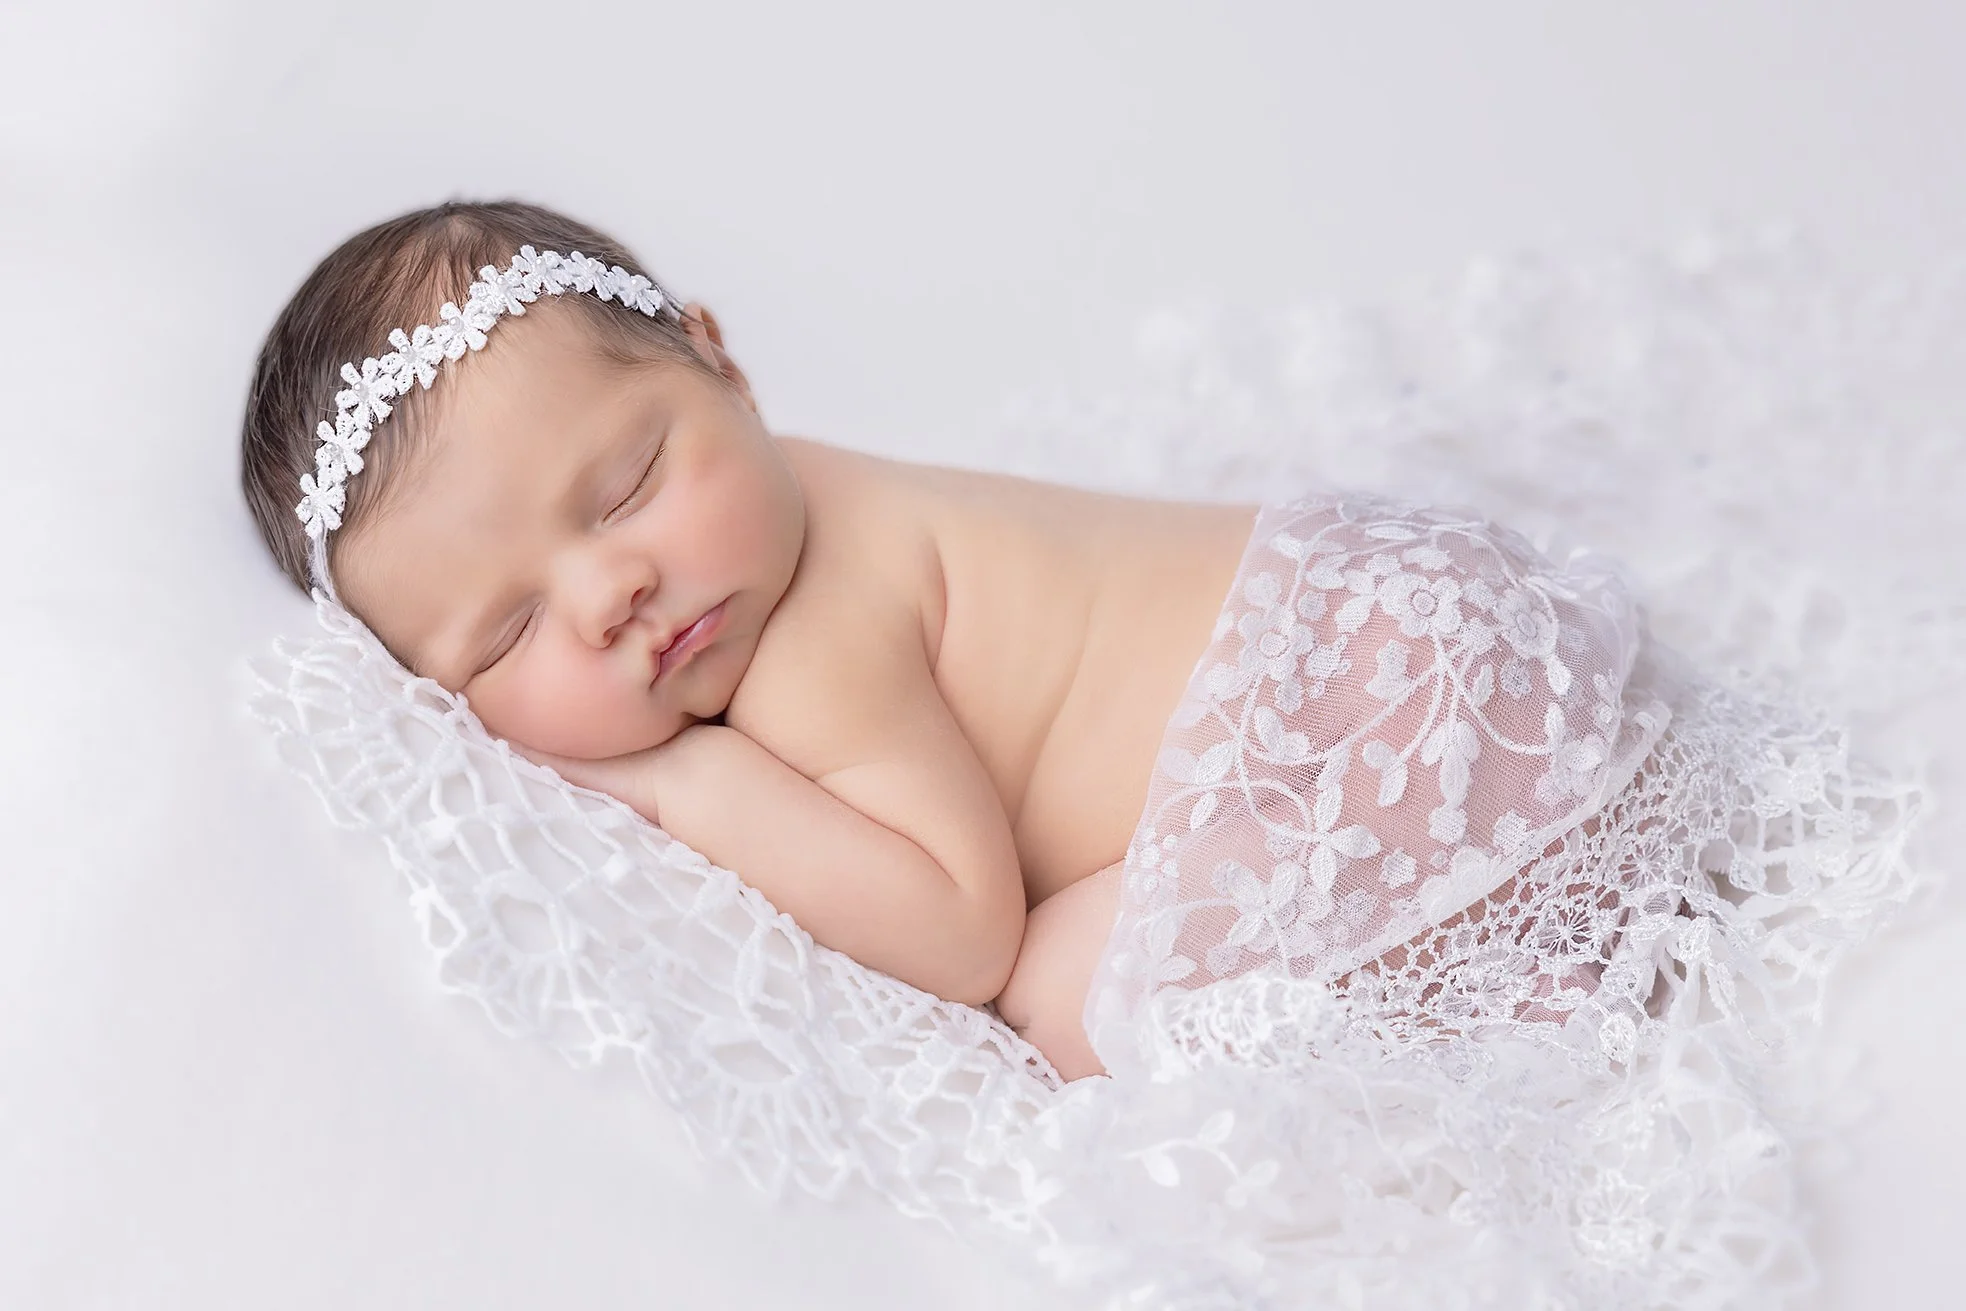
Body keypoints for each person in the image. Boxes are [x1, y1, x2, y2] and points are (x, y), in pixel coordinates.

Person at [233, 198, 1878, 1088]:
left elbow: (955, 929)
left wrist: (690, 794)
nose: (612, 596)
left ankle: (1536, 949)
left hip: (1380, 709)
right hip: (1403, 610)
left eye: (630, 482)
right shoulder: (790, 501)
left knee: (1057, 998)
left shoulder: (809, 643)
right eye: (508, 631)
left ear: (723, 366)